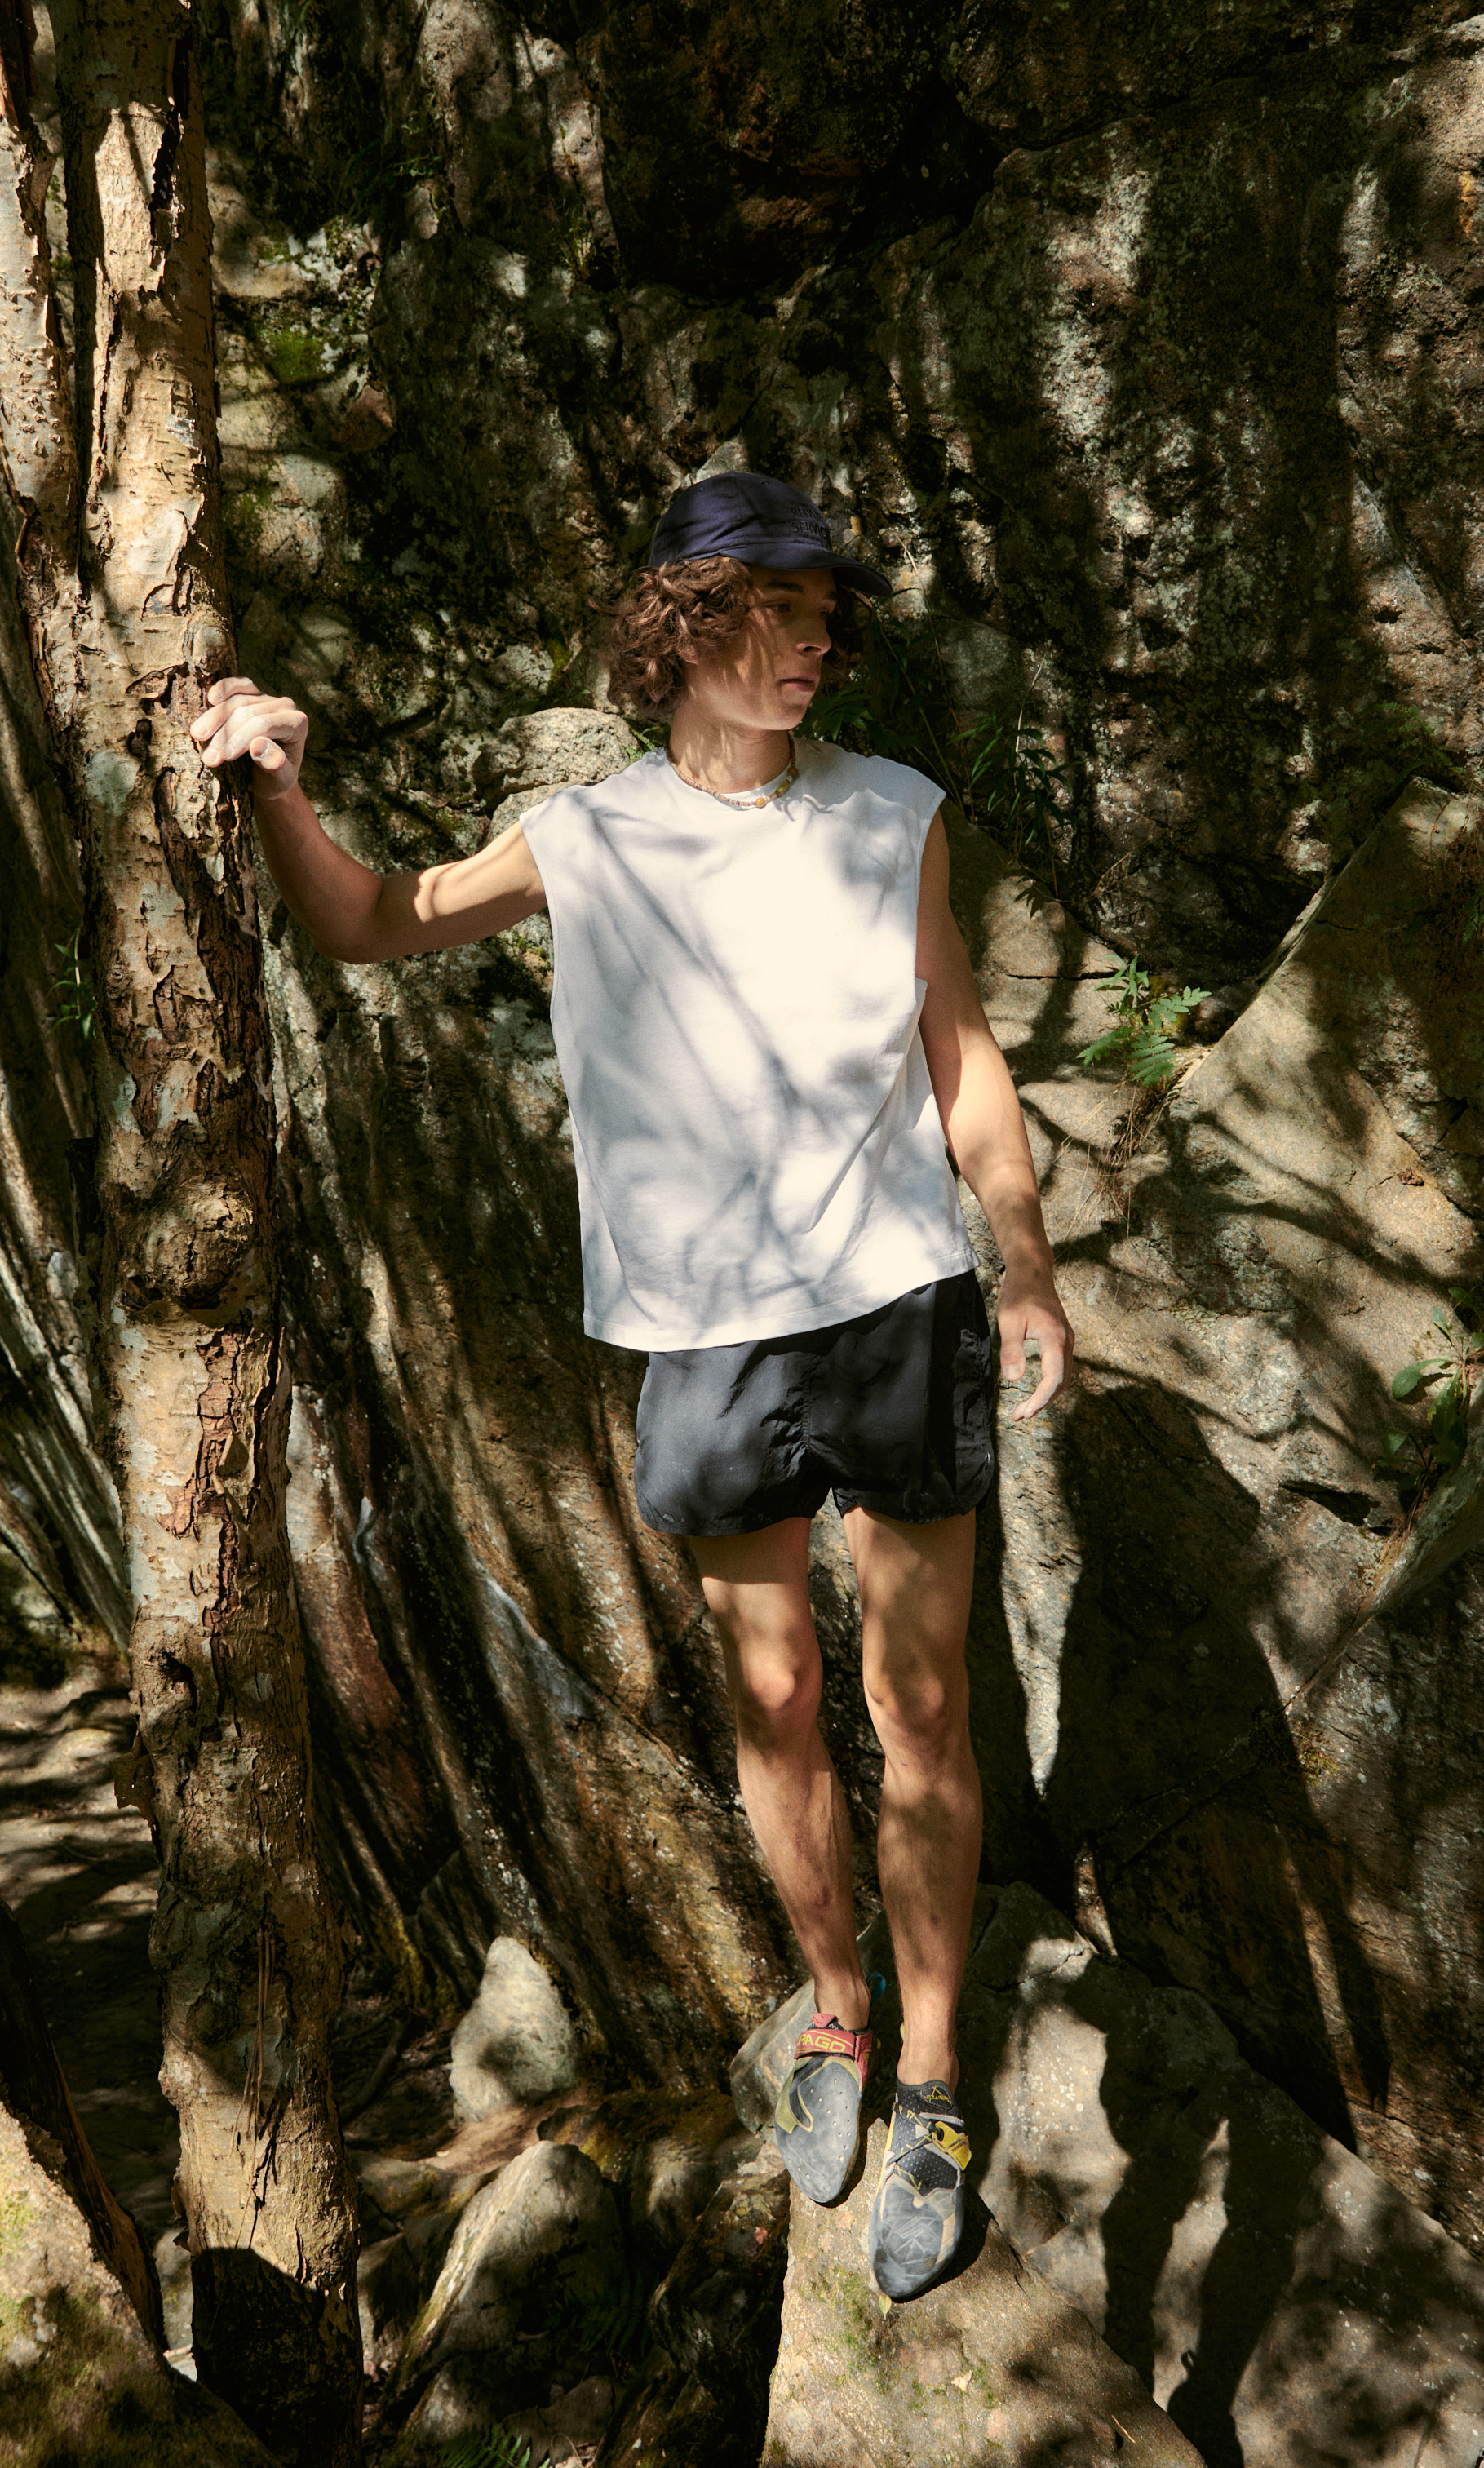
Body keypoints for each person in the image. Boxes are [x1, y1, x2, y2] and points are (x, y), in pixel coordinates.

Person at [190, 470, 1073, 2302]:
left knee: (918, 1705)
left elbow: (961, 1051)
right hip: (706, 1332)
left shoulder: (890, 814)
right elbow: (370, 922)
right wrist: (277, 785)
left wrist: (1025, 1259)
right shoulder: (583, 836)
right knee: (775, 1699)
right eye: (777, 611)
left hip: (899, 1302)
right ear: (685, 626)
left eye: (826, 615)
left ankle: (929, 2081)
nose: (813, 643)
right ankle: (833, 2012)